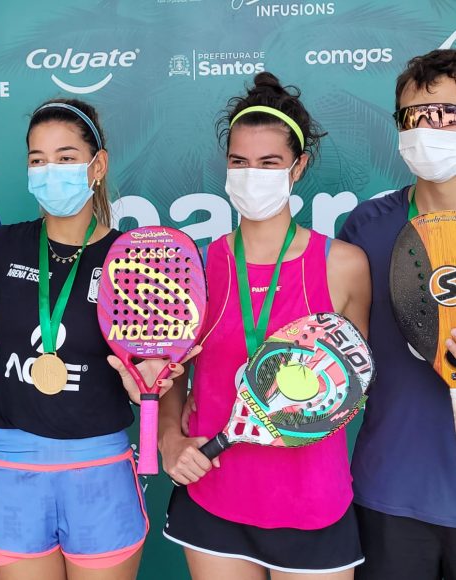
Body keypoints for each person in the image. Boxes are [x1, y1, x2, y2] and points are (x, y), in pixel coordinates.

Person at [0, 98, 195, 580]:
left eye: (66, 157)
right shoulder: (1, 245)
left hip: (100, 468)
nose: (50, 170)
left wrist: (149, 384)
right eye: (38, 159)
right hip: (12, 468)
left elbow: (153, 374)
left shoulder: (134, 260)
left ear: (98, 165)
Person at [158, 72, 371, 580]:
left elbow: (354, 380)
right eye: (239, 162)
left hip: (313, 503)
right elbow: (171, 375)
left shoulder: (344, 265)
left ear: (299, 166)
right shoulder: (196, 266)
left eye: (269, 162)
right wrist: (168, 438)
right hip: (212, 493)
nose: (252, 175)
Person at [338, 48, 456, 580]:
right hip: (391, 493)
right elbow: (339, 349)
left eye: (447, 114)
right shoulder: (367, 227)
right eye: (416, 116)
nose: (430, 128)